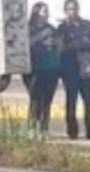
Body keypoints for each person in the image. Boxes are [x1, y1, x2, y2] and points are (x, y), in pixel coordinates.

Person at [58, 0, 90, 140]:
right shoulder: (62, 28)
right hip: (69, 67)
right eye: (69, 9)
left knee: (89, 100)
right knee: (71, 99)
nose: (73, 12)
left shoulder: (87, 25)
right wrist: (72, 45)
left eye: (74, 9)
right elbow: (59, 48)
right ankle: (72, 130)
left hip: (85, 66)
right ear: (65, 11)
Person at [24, 2, 60, 135]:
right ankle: (32, 127)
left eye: (47, 11)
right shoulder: (29, 28)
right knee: (35, 98)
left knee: (47, 99)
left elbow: (58, 46)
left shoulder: (51, 28)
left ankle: (44, 128)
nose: (46, 13)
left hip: (50, 67)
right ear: (36, 12)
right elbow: (25, 44)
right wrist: (40, 36)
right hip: (34, 68)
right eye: (44, 11)